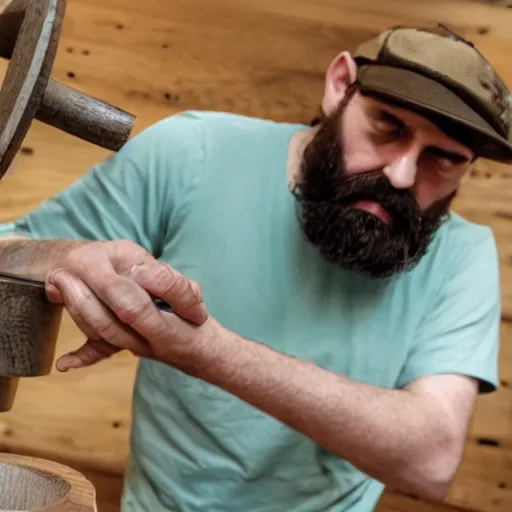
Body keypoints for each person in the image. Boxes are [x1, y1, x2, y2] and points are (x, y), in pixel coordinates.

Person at [0, 24, 510, 512]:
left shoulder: (463, 255)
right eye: (387, 127)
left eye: (443, 159)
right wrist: (61, 256)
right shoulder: (192, 155)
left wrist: (209, 353)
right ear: (340, 85)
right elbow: (7, 249)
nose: (401, 176)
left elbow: (432, 461)